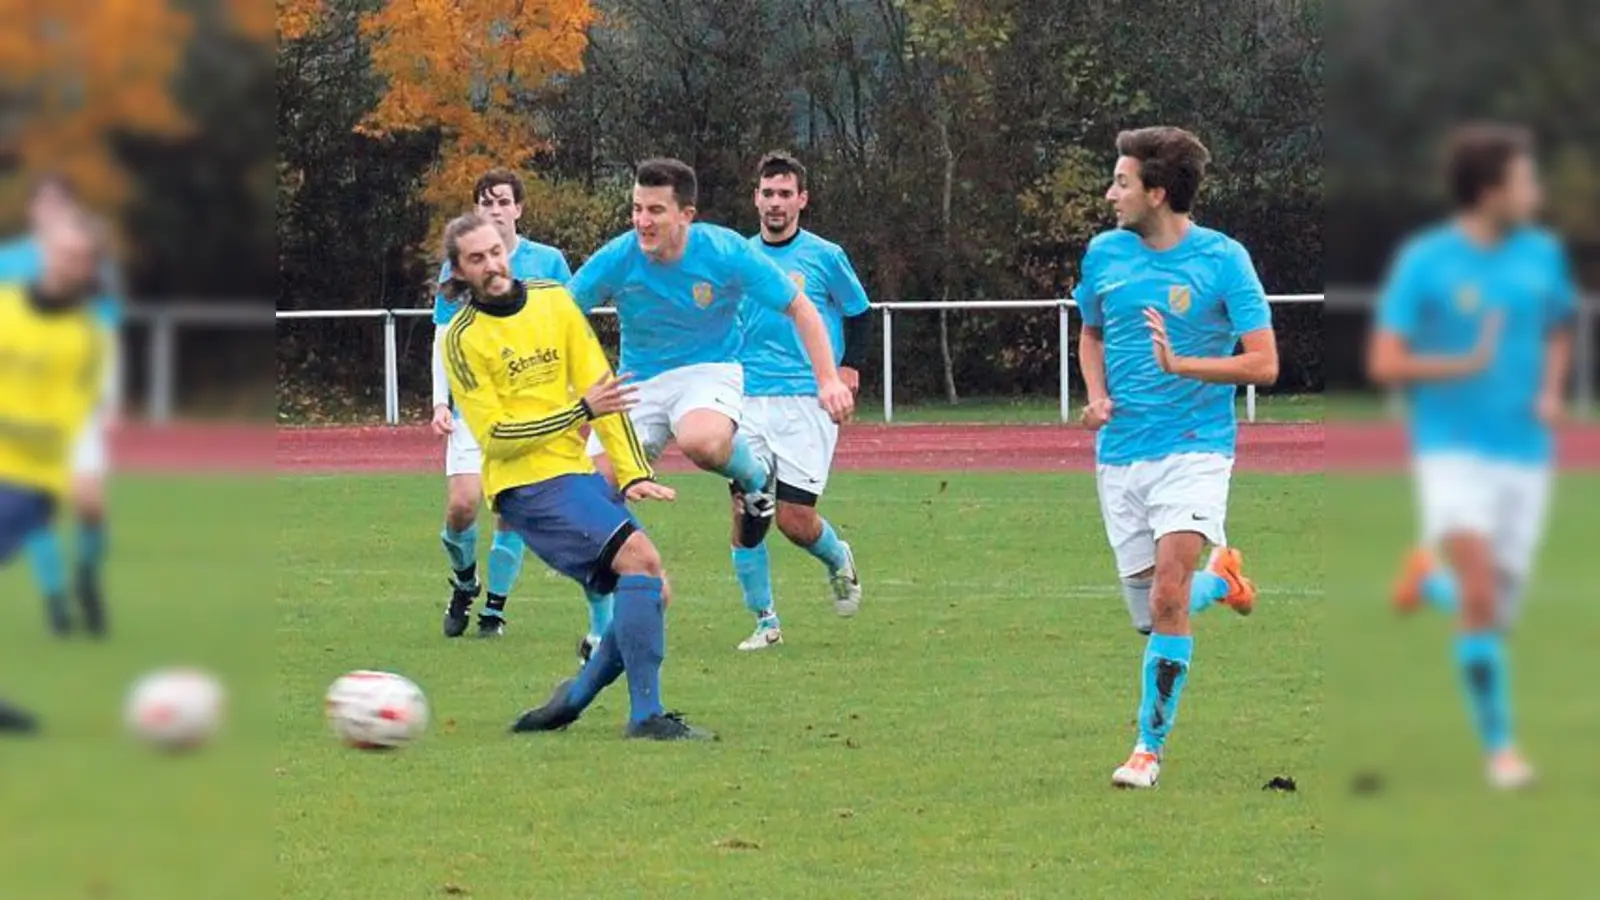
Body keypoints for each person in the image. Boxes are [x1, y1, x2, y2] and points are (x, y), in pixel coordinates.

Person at [437, 211, 711, 741]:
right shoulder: (462, 339)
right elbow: (495, 435)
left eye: (496, 251)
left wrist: (631, 473)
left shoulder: (552, 299)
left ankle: (575, 697)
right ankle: (645, 717)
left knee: (654, 589)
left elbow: (601, 388)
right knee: (643, 563)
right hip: (523, 485)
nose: (492, 265)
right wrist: (576, 412)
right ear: (459, 271)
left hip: (571, 470)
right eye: (477, 259)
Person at [569, 157, 855, 650]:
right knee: (590, 497)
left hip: (710, 370)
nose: (642, 221)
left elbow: (801, 307)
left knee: (702, 441)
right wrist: (574, 400)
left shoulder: (723, 251)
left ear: (687, 214)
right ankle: (600, 628)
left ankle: (753, 475)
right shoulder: (618, 256)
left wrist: (829, 379)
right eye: (636, 208)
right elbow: (561, 320)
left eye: (655, 210)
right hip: (638, 380)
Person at [1372, 122, 1575, 790]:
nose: (1535, 192)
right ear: (1490, 191)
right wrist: (1462, 362)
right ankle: (1501, 751)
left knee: (1496, 606)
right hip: (1452, 453)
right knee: (1483, 596)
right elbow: (1386, 358)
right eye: (1526, 180)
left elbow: (1558, 326)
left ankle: (1426, 582)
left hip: (1526, 454)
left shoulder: (1542, 256)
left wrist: (1549, 390)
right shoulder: (1426, 261)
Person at [1073, 126, 1276, 789]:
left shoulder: (1223, 260)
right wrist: (1097, 395)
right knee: (1152, 613)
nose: (1110, 194)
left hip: (1196, 449)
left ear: (1157, 193)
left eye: (1122, 182)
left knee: (1166, 598)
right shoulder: (1104, 255)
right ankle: (1226, 581)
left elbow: (1265, 363)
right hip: (1121, 454)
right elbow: (1091, 334)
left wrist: (1179, 363)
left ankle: (1146, 750)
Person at [728, 151, 871, 651]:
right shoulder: (739, 256)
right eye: (767, 193)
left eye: (785, 193)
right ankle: (765, 621)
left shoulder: (825, 256)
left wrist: (848, 368)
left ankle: (837, 558)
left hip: (807, 401)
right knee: (748, 509)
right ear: (756, 198)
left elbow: (859, 312)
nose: (775, 203)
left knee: (793, 520)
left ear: (802, 200)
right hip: (747, 398)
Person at [429, 168, 574, 640]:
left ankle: (495, 609)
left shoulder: (548, 262)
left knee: (511, 510)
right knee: (462, 506)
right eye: (485, 202)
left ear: (518, 209)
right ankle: (466, 581)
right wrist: (439, 401)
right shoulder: (461, 265)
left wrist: (572, 397)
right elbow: (443, 336)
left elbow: (569, 331)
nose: (494, 210)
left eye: (502, 201)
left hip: (531, 410)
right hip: (475, 408)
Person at [0, 208, 112, 731]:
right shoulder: (4, 309)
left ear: (89, 269)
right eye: (64, 252)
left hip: (28, 481)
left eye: (81, 257)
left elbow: (56, 424)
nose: (71, 263)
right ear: (46, 255)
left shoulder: (85, 339)